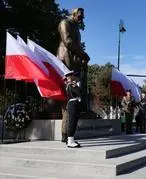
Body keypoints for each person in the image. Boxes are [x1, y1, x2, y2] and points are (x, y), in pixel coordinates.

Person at [57, 8, 90, 143]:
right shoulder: (65, 23)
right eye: (80, 16)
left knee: (72, 100)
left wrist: (82, 58)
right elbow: (68, 42)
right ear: (74, 14)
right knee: (68, 100)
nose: (81, 19)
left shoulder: (76, 28)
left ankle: (67, 134)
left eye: (83, 17)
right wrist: (83, 55)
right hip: (65, 60)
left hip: (74, 62)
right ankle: (66, 135)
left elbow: (76, 45)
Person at [64, 71, 81, 148]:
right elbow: (79, 93)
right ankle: (70, 141)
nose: (74, 77)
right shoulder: (72, 85)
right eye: (72, 76)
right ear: (70, 77)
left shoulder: (69, 85)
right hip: (73, 104)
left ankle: (70, 140)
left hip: (73, 104)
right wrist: (77, 86)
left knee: (72, 122)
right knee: (72, 122)